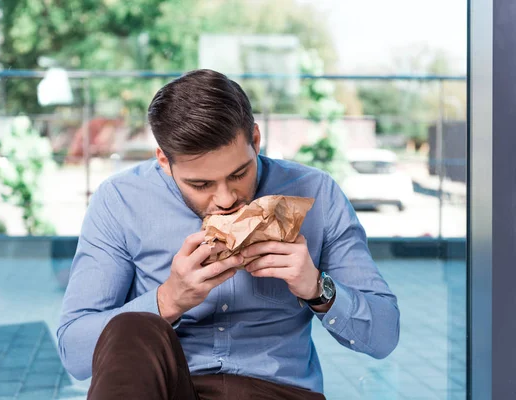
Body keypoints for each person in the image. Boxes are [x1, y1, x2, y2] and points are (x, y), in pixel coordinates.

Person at [57, 69, 400, 400]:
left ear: (255, 139)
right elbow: (74, 352)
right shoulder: (120, 200)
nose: (225, 199)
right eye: (201, 184)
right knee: (132, 327)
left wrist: (316, 287)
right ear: (164, 159)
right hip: (167, 388)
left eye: (239, 173)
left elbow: (384, 337)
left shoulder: (316, 193)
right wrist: (169, 300)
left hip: (280, 390)